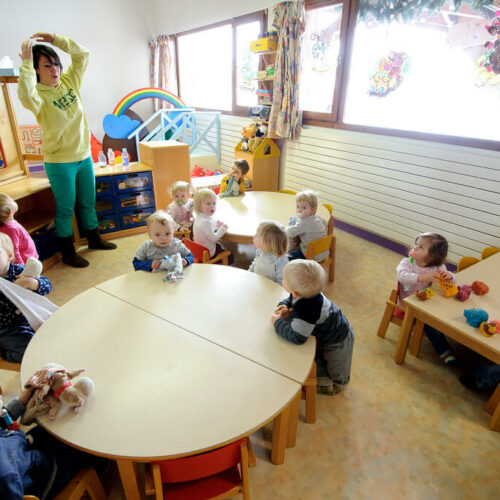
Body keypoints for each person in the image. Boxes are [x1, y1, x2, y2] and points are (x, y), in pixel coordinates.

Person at [17, 32, 116, 268]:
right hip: (60, 161)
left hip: (84, 156)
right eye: (47, 66)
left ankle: (93, 239)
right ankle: (68, 252)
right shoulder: (38, 96)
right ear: (36, 70)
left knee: (88, 202)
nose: (55, 70)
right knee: (65, 208)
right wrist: (25, 64)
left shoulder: (69, 82)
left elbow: (83, 54)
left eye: (56, 64)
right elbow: (24, 93)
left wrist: (56, 40)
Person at [0, 384, 107, 498]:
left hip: (25, 449)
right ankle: (99, 471)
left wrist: (20, 402)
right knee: (88, 445)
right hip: (46, 475)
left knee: (57, 427)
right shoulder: (5, 474)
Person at [271, 260, 354, 395]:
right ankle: (326, 383)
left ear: (296, 292)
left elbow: (298, 337)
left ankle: (339, 385)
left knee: (337, 368)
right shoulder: (308, 293)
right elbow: (292, 298)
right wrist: (285, 305)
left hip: (339, 340)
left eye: (284, 279)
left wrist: (277, 323)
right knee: (320, 359)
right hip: (329, 332)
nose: (282, 280)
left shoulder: (307, 310)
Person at [397, 232, 458, 365]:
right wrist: (423, 278)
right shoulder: (408, 262)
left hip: (427, 301)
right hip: (409, 303)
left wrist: (449, 277)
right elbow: (402, 275)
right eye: (416, 244)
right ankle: (445, 350)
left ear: (430, 258)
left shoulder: (438, 267)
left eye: (421, 247)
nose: (415, 247)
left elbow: (454, 279)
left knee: (447, 313)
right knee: (431, 324)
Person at [0, 233, 52, 362]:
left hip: (30, 320)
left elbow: (47, 286)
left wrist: (31, 283)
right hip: (7, 329)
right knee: (33, 352)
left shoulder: (19, 272)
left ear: (9, 256)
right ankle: (8, 354)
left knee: (55, 336)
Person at [286, 190, 327, 261]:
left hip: (310, 255)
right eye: (297, 207)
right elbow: (325, 223)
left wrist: (291, 224)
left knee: (285, 258)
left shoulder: (305, 223)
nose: (299, 210)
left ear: (313, 210)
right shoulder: (317, 217)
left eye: (304, 208)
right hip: (323, 252)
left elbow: (289, 232)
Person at [193, 188, 232, 262]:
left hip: (199, 250)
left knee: (220, 246)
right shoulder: (205, 222)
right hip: (208, 252)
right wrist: (223, 229)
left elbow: (208, 228)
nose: (212, 206)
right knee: (230, 256)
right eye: (208, 203)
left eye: (214, 203)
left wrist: (216, 225)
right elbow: (214, 238)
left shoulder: (199, 217)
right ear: (199, 205)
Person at [0, 193, 38, 264]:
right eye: (11, 201)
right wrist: (21, 268)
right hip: (27, 263)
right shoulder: (11, 229)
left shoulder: (8, 225)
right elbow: (14, 252)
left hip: (29, 259)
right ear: (10, 212)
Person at [249, 220, 289, 285]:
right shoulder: (259, 251)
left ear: (268, 243)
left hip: (272, 291)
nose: (254, 236)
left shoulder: (280, 260)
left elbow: (282, 282)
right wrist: (249, 275)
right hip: (258, 284)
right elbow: (254, 265)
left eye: (257, 235)